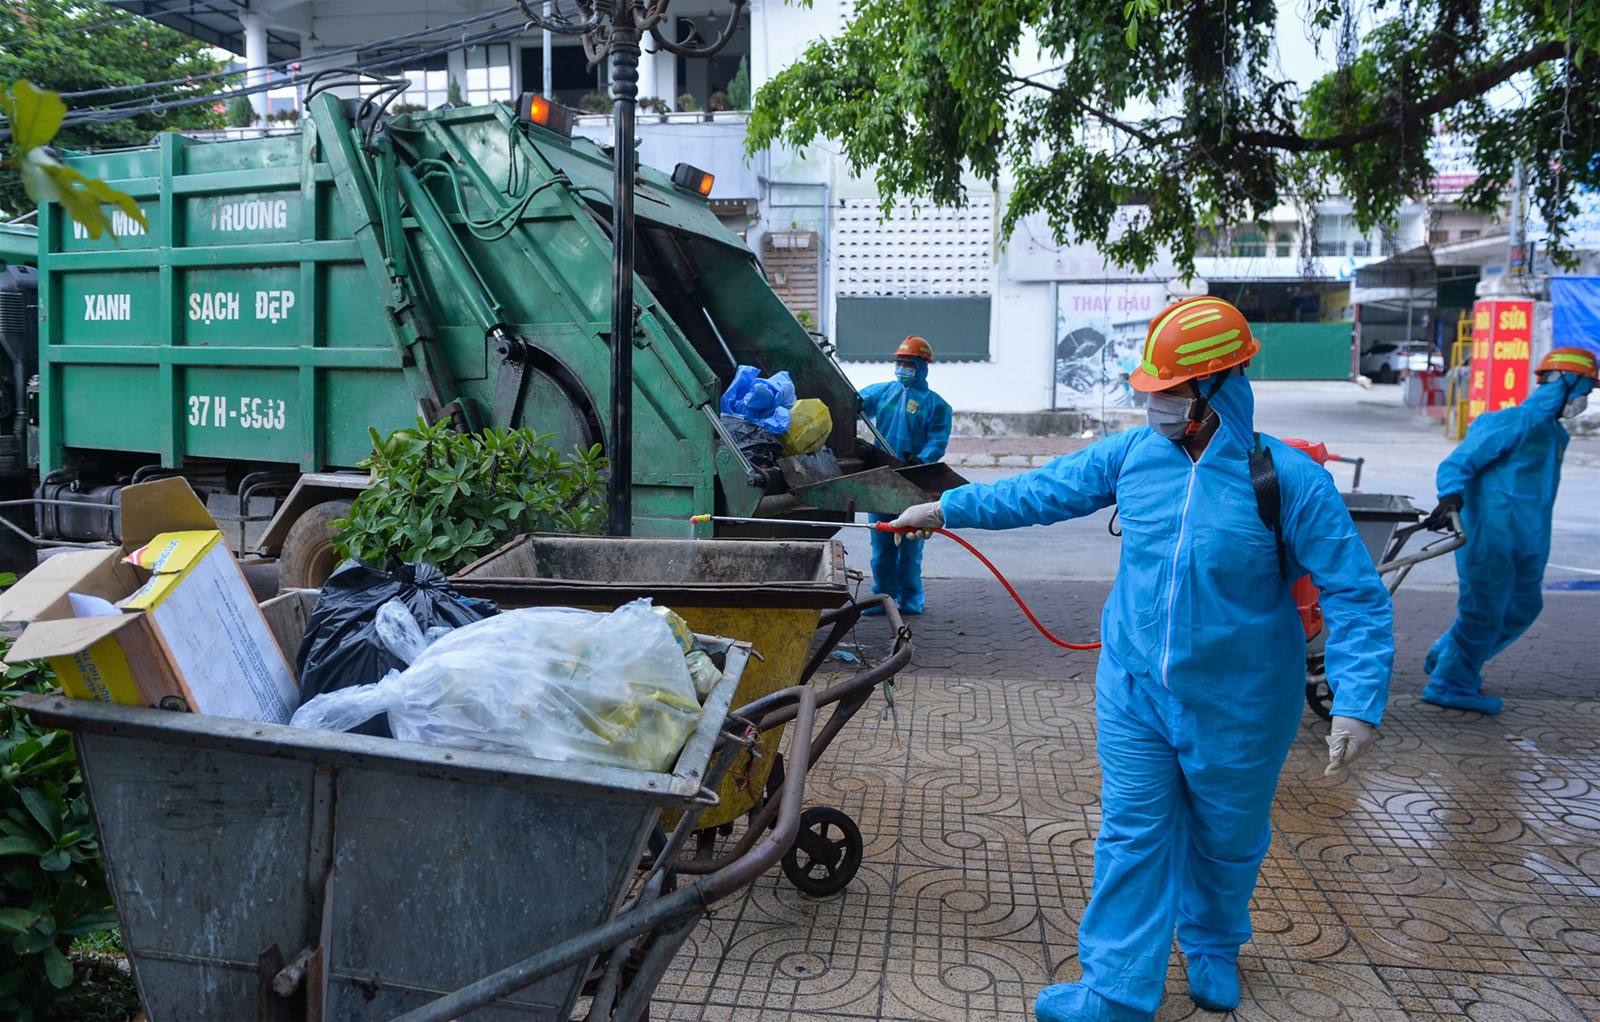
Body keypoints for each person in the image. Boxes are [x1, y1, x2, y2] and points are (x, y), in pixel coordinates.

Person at [889, 297, 1393, 1021]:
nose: (1152, 401)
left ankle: (1214, 944)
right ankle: (1118, 990)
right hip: (1135, 690)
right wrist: (944, 510)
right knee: (1133, 835)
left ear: (1216, 386)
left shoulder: (1285, 479)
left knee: (1228, 838)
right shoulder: (1132, 455)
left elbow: (1356, 593)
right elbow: (1040, 490)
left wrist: (1357, 701)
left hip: (1243, 704)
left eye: (1168, 389)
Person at [1421, 345, 1598, 715]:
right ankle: (1449, 683)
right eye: (1585, 388)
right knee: (1484, 611)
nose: (1585, 399)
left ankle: (1449, 655)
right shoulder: (1511, 421)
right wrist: (1451, 495)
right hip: (1491, 535)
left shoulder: (1555, 435)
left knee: (1524, 605)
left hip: (1529, 538)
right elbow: (1459, 461)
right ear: (1564, 382)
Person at [859, 335, 952, 615]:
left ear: (922, 366)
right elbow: (855, 403)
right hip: (883, 478)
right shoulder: (882, 393)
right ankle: (884, 597)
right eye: (899, 363)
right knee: (882, 544)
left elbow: (938, 440)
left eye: (909, 364)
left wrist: (922, 458)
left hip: (914, 480)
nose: (902, 368)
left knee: (911, 546)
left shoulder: (937, 405)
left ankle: (911, 599)